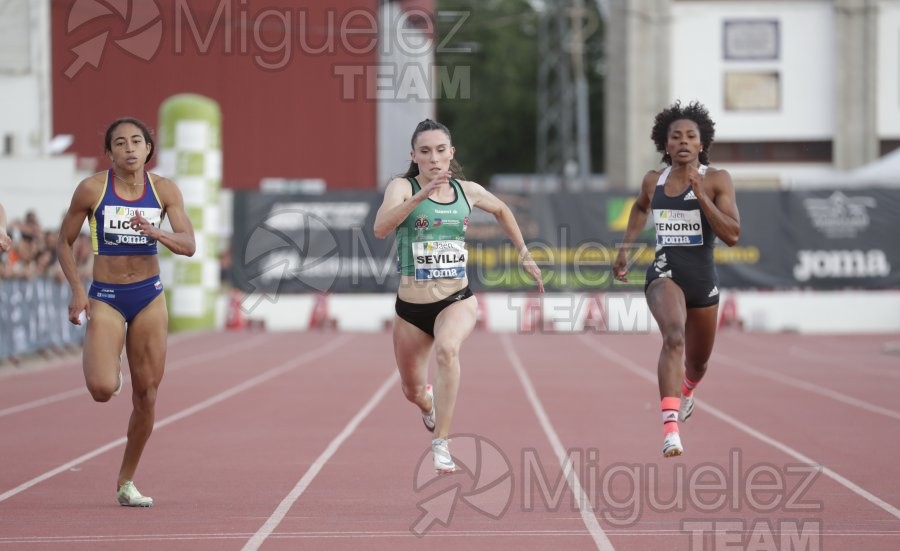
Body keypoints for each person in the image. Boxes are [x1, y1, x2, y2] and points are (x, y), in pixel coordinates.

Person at [374, 119, 544, 473]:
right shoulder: (401, 187)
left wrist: (523, 252)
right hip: (411, 310)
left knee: (448, 350)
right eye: (425, 152)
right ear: (414, 156)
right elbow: (380, 228)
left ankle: (442, 442)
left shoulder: (468, 191)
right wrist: (422, 195)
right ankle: (427, 404)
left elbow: (502, 210)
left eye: (440, 151)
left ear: (451, 154)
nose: (434, 159)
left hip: (456, 299)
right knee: (412, 390)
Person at [57, 117, 196, 505]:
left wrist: (158, 233)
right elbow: (63, 243)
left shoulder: (164, 190)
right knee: (102, 390)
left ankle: (126, 481)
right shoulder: (92, 190)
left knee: (147, 395)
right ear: (110, 152)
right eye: (120, 143)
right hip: (105, 295)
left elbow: (188, 245)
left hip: (148, 296)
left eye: (137, 141)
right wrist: (77, 290)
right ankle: (109, 355)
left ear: (149, 149)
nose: (130, 149)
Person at [613, 101, 740, 458]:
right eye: (675, 137)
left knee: (698, 362)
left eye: (691, 136)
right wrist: (626, 247)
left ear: (702, 144)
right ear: (665, 145)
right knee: (673, 335)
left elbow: (732, 234)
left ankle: (688, 389)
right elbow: (640, 207)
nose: (683, 142)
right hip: (665, 271)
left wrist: (702, 197)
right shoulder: (655, 181)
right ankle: (670, 430)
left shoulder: (717, 179)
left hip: (702, 279)